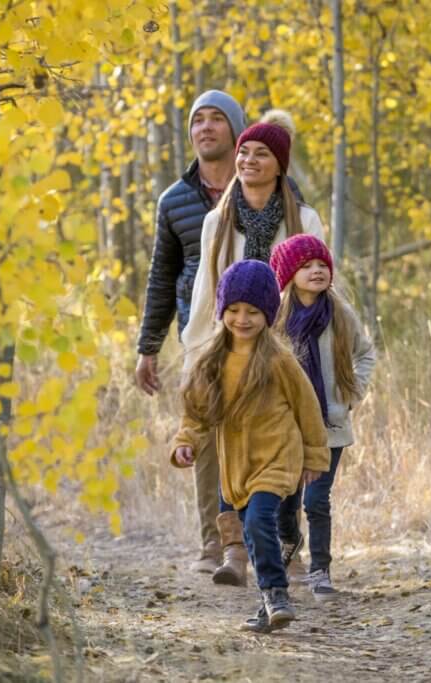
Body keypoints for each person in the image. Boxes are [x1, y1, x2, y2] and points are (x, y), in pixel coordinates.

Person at [180, 120, 328, 586]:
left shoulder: (303, 219)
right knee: (228, 450)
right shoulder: (216, 221)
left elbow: (322, 286)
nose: (247, 161)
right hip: (230, 345)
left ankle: (288, 545)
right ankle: (232, 550)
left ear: (279, 164)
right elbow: (206, 291)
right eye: (244, 153)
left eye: (261, 153)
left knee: (282, 447)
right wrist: (196, 351)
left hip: (289, 349)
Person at [170, 259, 330, 632]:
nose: (242, 319)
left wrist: (315, 456)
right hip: (237, 467)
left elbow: (308, 409)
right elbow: (196, 414)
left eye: (253, 312)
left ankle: (276, 594)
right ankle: (266, 605)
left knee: (259, 521)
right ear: (223, 310)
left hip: (277, 456)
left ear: (268, 314)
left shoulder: (279, 360)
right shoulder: (211, 362)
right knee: (254, 535)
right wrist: (185, 441)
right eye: (234, 310)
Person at [135, 90, 247, 573]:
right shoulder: (175, 200)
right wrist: (148, 348)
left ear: (235, 129)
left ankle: (282, 546)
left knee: (270, 433)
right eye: (197, 121)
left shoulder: (265, 183)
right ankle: (215, 544)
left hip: (263, 330)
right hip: (199, 334)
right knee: (204, 435)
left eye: (216, 119)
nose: (204, 128)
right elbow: (161, 275)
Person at [270, 234, 376, 601]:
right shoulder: (275, 317)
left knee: (316, 500)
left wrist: (351, 394)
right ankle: (289, 541)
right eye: (306, 266)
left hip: (330, 425)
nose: (316, 271)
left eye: (322, 265)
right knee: (286, 498)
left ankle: (320, 570)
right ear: (288, 274)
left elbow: (366, 354)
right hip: (288, 427)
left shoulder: (339, 313)